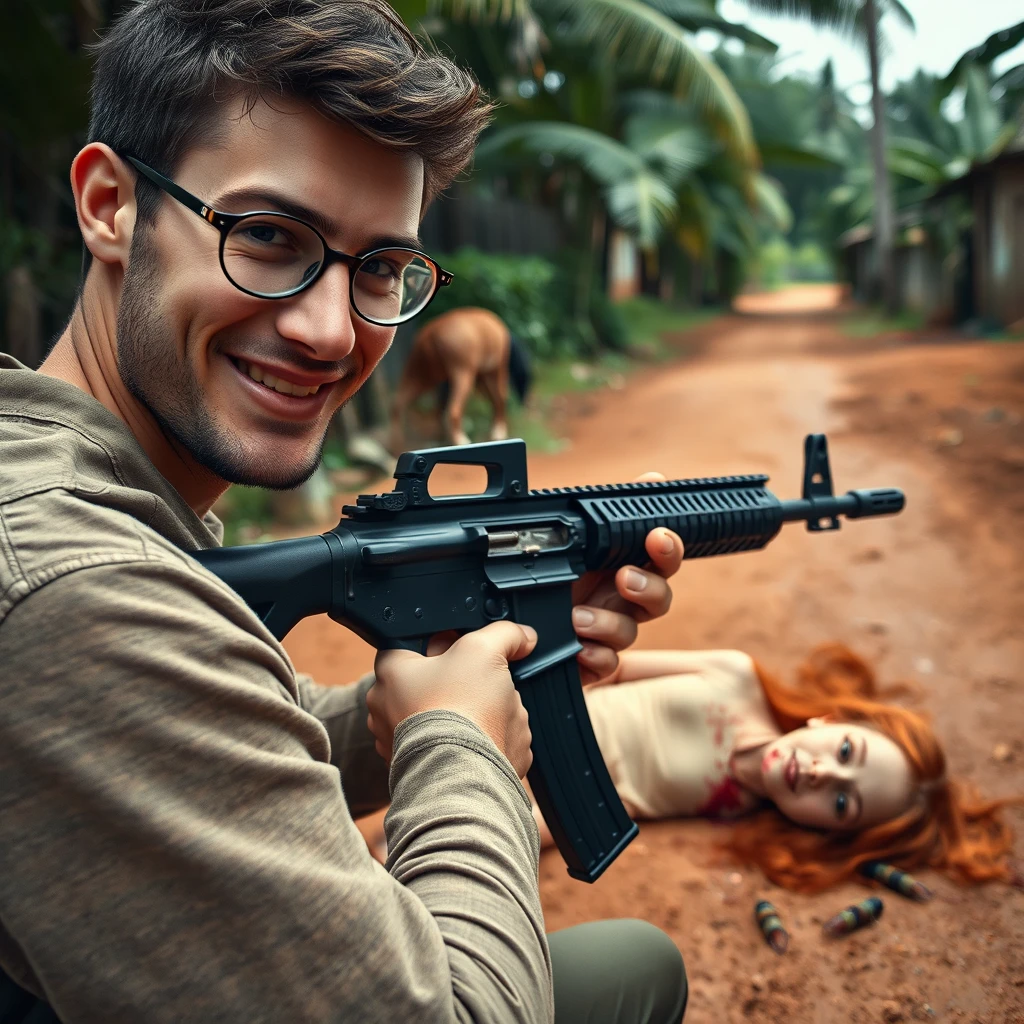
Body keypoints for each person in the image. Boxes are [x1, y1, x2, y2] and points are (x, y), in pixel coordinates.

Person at [0, 3, 689, 1022]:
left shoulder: (48, 473)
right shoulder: (78, 593)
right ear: (109, 205)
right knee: (634, 968)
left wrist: (454, 681)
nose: (331, 331)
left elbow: (197, 734)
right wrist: (460, 739)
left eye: (377, 268)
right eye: (269, 236)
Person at [532, 643, 1019, 893]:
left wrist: (510, 826)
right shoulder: (735, 674)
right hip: (528, 702)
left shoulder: (734, 809)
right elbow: (606, 665)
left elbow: (593, 811)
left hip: (530, 793)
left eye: (842, 802)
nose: (821, 774)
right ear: (828, 719)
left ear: (824, 829)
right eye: (845, 751)